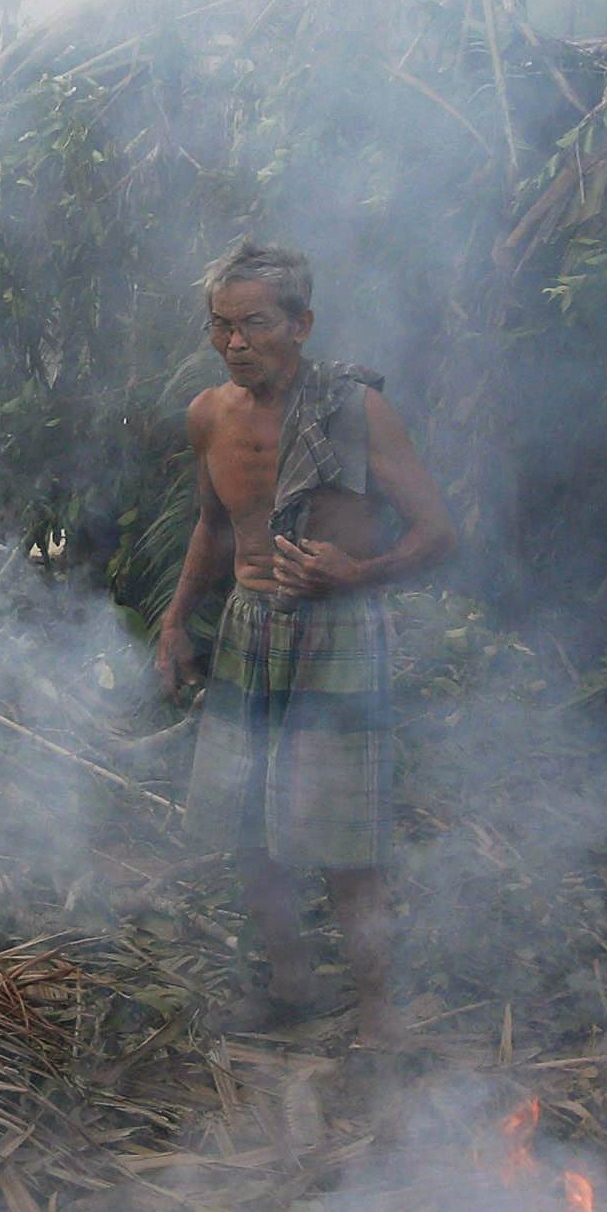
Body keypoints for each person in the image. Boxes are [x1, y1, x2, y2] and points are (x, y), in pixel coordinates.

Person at [157, 241, 456, 1043]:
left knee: (345, 841)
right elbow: (213, 528)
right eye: (220, 325)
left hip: (339, 630)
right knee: (247, 826)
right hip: (249, 627)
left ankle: (379, 1016)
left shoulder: (356, 412)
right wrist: (177, 621)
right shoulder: (207, 416)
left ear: (302, 323)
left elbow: (437, 532)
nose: (233, 342)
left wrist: (357, 573)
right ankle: (293, 986)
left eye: (253, 323)